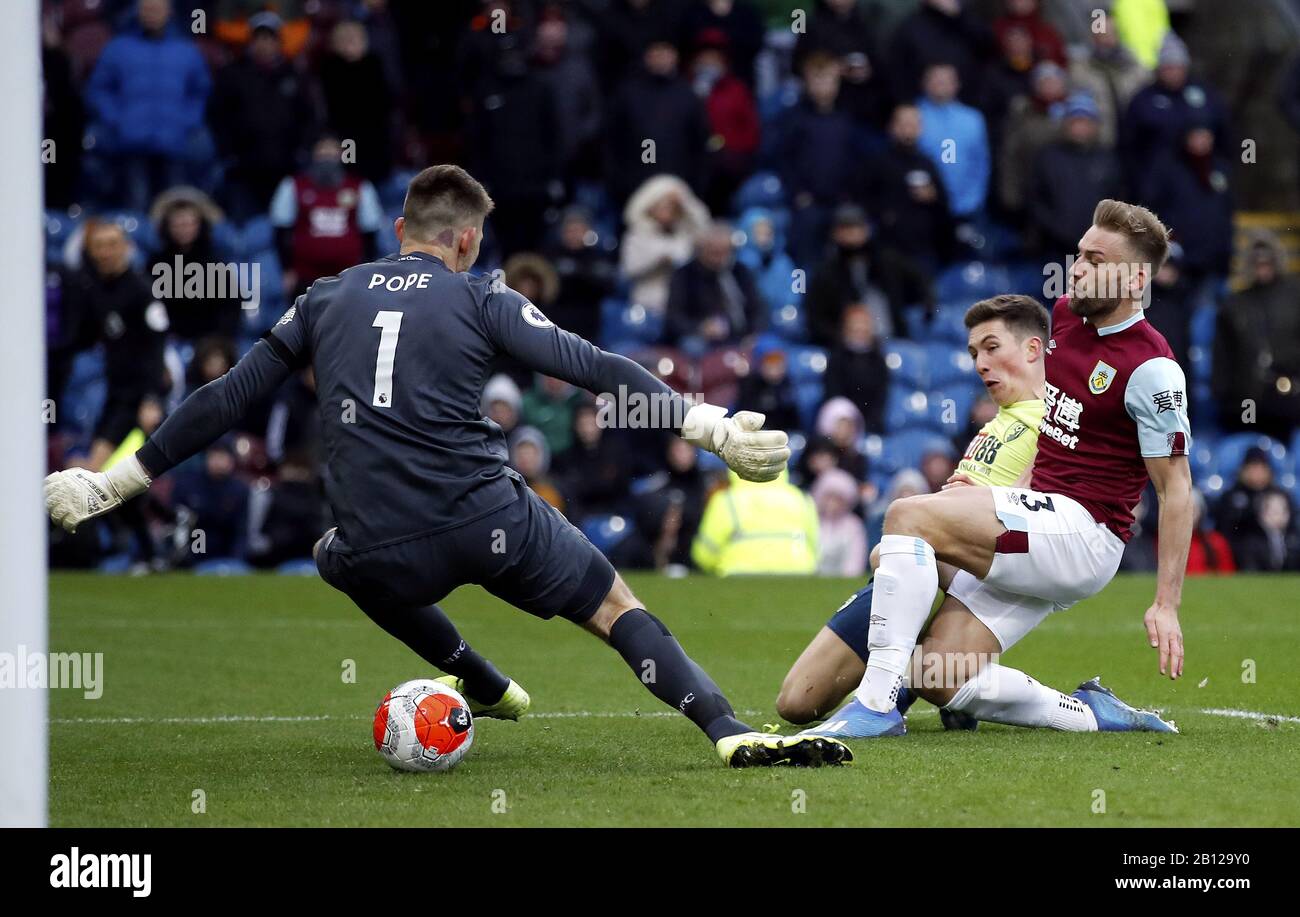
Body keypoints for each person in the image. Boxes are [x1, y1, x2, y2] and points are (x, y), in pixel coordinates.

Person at [46, 165, 848, 769]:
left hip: (378, 544)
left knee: (334, 555)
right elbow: (598, 366)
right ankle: (728, 731)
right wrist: (710, 425)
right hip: (487, 522)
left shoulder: (324, 296)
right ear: (466, 239)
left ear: (400, 227)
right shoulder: (482, 296)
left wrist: (110, 481)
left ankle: (482, 681)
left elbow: (226, 396)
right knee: (614, 605)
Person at [799, 200, 1192, 739]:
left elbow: (1176, 490)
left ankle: (875, 705)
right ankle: (1088, 713)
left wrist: (1166, 605)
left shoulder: (1152, 368)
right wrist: (998, 492)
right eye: (1078, 254)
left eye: (1095, 260)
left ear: (1136, 277)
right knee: (936, 673)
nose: (1076, 268)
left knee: (908, 517)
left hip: (1086, 535)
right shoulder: (1065, 316)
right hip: (1042, 522)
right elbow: (1056, 431)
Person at [778, 294, 1046, 724]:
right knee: (796, 702)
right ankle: (933, 679)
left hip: (965, 576)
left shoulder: (1056, 423)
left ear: (1033, 349)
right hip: (919, 572)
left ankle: (894, 693)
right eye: (975, 353)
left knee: (890, 553)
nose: (980, 364)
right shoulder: (992, 425)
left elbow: (1034, 513)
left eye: (992, 348)